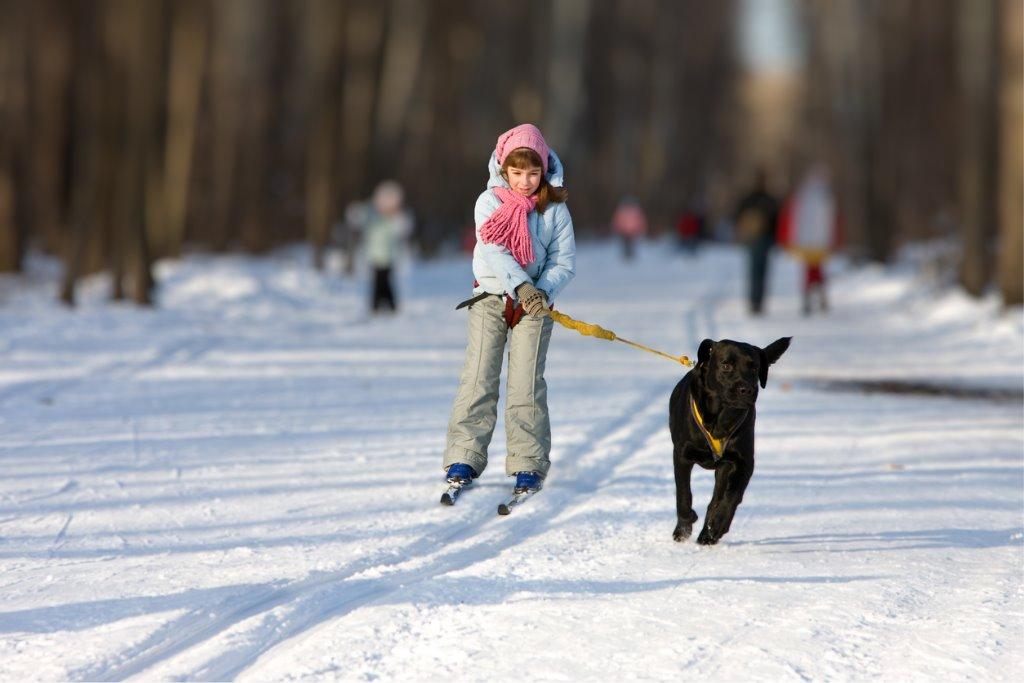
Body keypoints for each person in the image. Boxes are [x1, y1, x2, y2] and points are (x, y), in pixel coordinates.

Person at [443, 123, 575, 497]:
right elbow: (493, 249)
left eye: (533, 172)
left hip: (536, 307)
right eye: (517, 172)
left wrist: (542, 291)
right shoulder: (489, 202)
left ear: (545, 170)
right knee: (479, 377)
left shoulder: (555, 210)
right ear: (504, 168)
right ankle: (464, 454)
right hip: (491, 299)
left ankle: (528, 462)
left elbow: (563, 261)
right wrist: (521, 286)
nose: (525, 181)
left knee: (526, 384)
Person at [777, 166, 842, 315]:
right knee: (816, 270)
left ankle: (811, 296)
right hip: (818, 242)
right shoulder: (824, 197)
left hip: (809, 241)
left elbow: (791, 218)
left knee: (810, 270)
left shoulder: (805, 196)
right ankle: (817, 295)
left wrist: (789, 238)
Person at [361, 180, 411, 314]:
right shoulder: (372, 215)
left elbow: (403, 228)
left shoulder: (396, 219)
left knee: (385, 280)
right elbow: (357, 217)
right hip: (375, 255)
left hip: (389, 256)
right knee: (378, 280)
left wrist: (396, 214)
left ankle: (387, 305)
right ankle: (378, 305)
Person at [733, 169, 780, 315]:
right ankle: (757, 302)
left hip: (756, 239)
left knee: (755, 271)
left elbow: (738, 215)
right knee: (760, 271)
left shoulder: (751, 199)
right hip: (761, 239)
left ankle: (755, 301)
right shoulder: (768, 199)